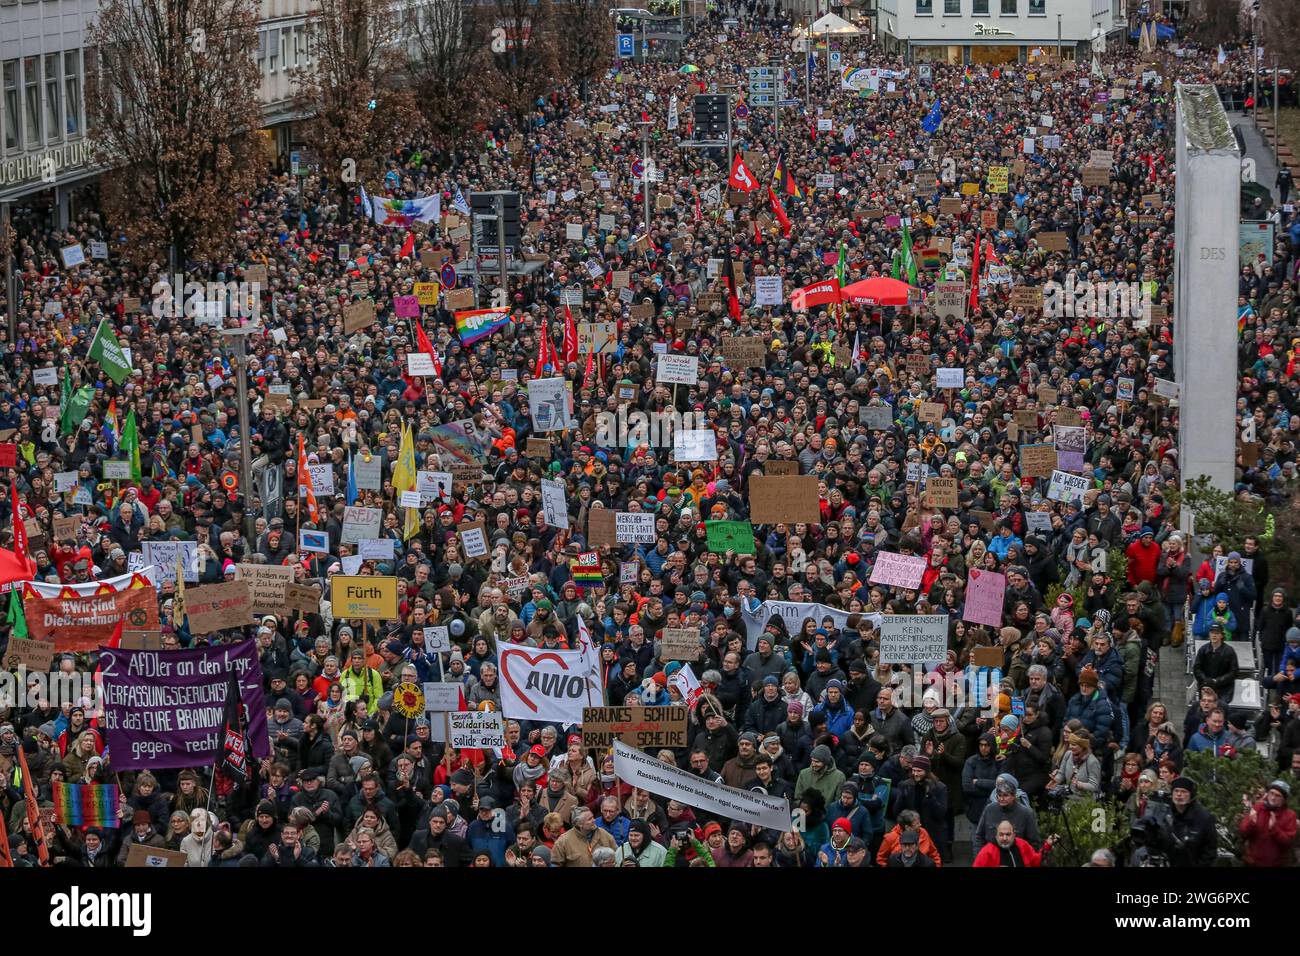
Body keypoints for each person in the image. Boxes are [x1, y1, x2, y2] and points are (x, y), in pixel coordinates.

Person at [1238, 780, 1298, 867]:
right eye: (1271, 793)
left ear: (1284, 799)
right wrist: (1251, 824)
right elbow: (1243, 833)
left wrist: (1274, 828)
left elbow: (1288, 842)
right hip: (1252, 863)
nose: (1273, 798)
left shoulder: (1290, 815)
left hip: (1276, 864)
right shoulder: (1258, 807)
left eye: (1278, 796)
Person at [972, 820, 1050, 867]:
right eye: (1001, 834)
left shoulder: (1022, 844)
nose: (1004, 838)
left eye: (1008, 834)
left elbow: (1035, 861)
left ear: (1014, 834)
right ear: (996, 835)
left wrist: (1047, 845)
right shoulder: (987, 852)